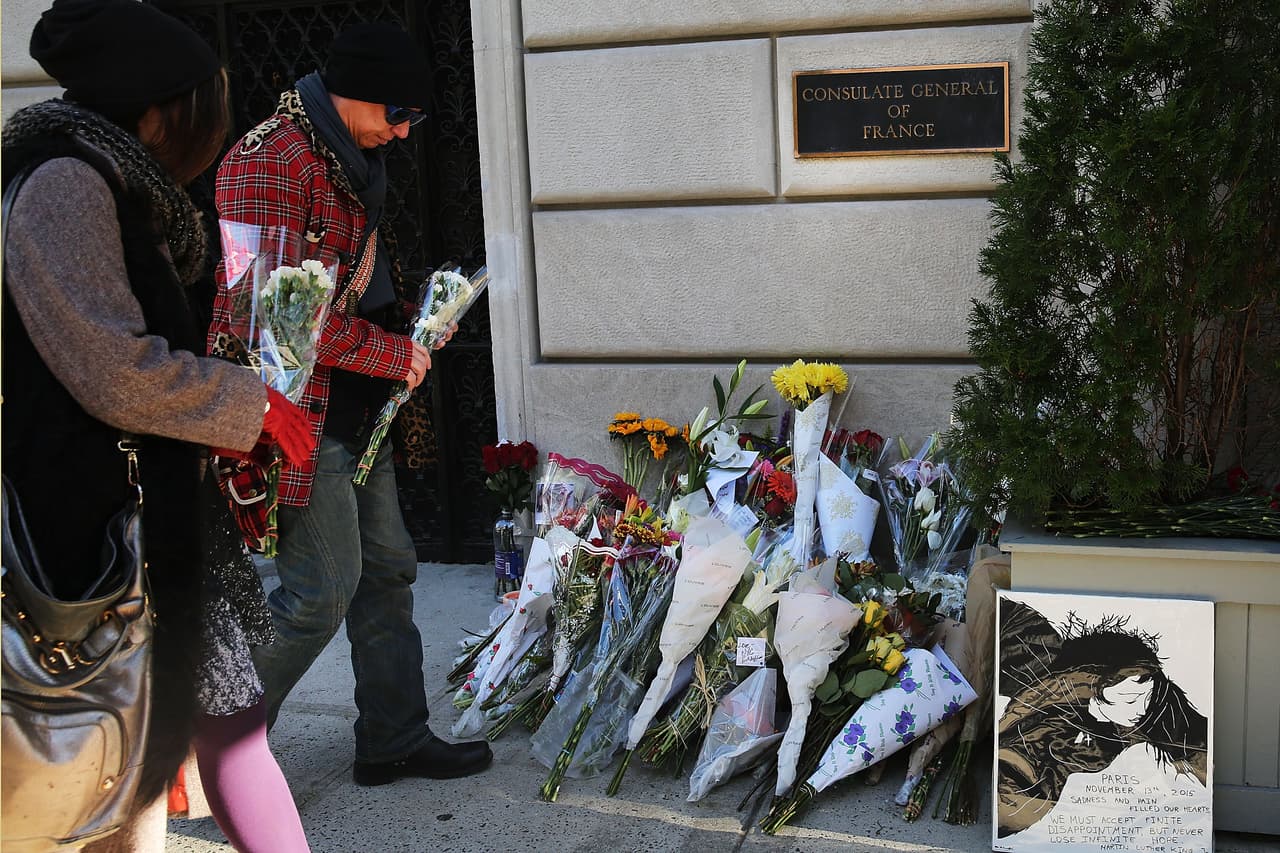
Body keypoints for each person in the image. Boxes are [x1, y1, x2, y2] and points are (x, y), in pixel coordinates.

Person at [2, 1, 314, 849]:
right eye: (201, 106)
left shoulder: (110, 180)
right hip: (96, 537)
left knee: (201, 727)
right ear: (152, 111)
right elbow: (112, 366)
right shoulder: (66, 182)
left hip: (150, 528)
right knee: (171, 742)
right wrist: (248, 406)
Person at [208, 21, 492, 786]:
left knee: (390, 569)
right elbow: (264, 311)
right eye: (400, 114)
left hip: (356, 400)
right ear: (355, 91)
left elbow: (345, 281)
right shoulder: (270, 158)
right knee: (317, 592)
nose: (404, 132)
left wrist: (411, 328)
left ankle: (393, 737)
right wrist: (391, 351)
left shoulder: (345, 153)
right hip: (297, 408)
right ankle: (213, 752)